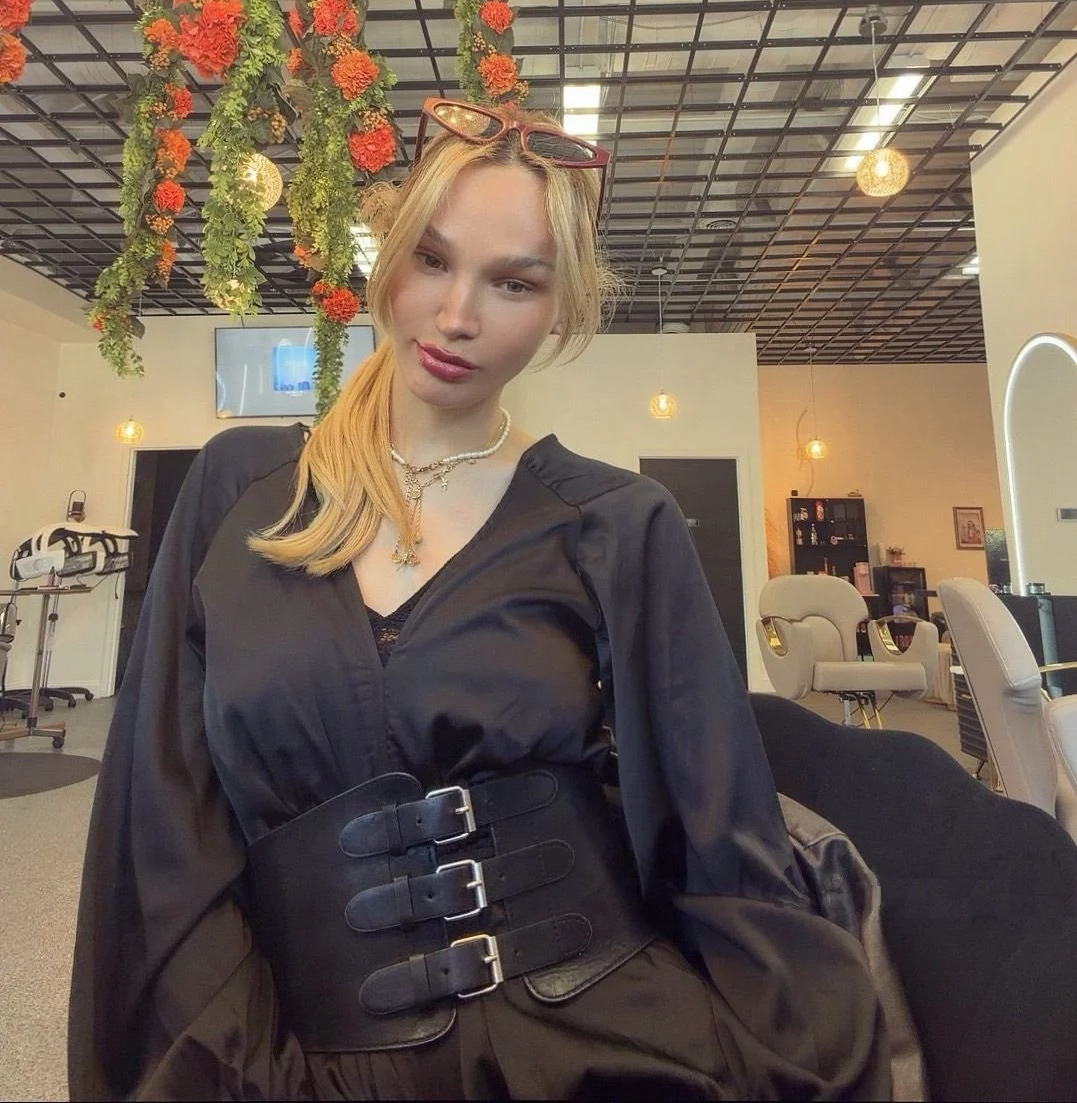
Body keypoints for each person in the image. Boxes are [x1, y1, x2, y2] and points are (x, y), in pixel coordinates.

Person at [70, 98, 890, 1101]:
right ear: (388, 252)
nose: (457, 315)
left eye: (514, 282)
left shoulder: (618, 524)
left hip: (597, 1046)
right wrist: (240, 1063)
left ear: (563, 307)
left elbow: (718, 833)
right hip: (294, 1056)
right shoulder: (239, 491)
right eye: (431, 259)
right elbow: (162, 819)